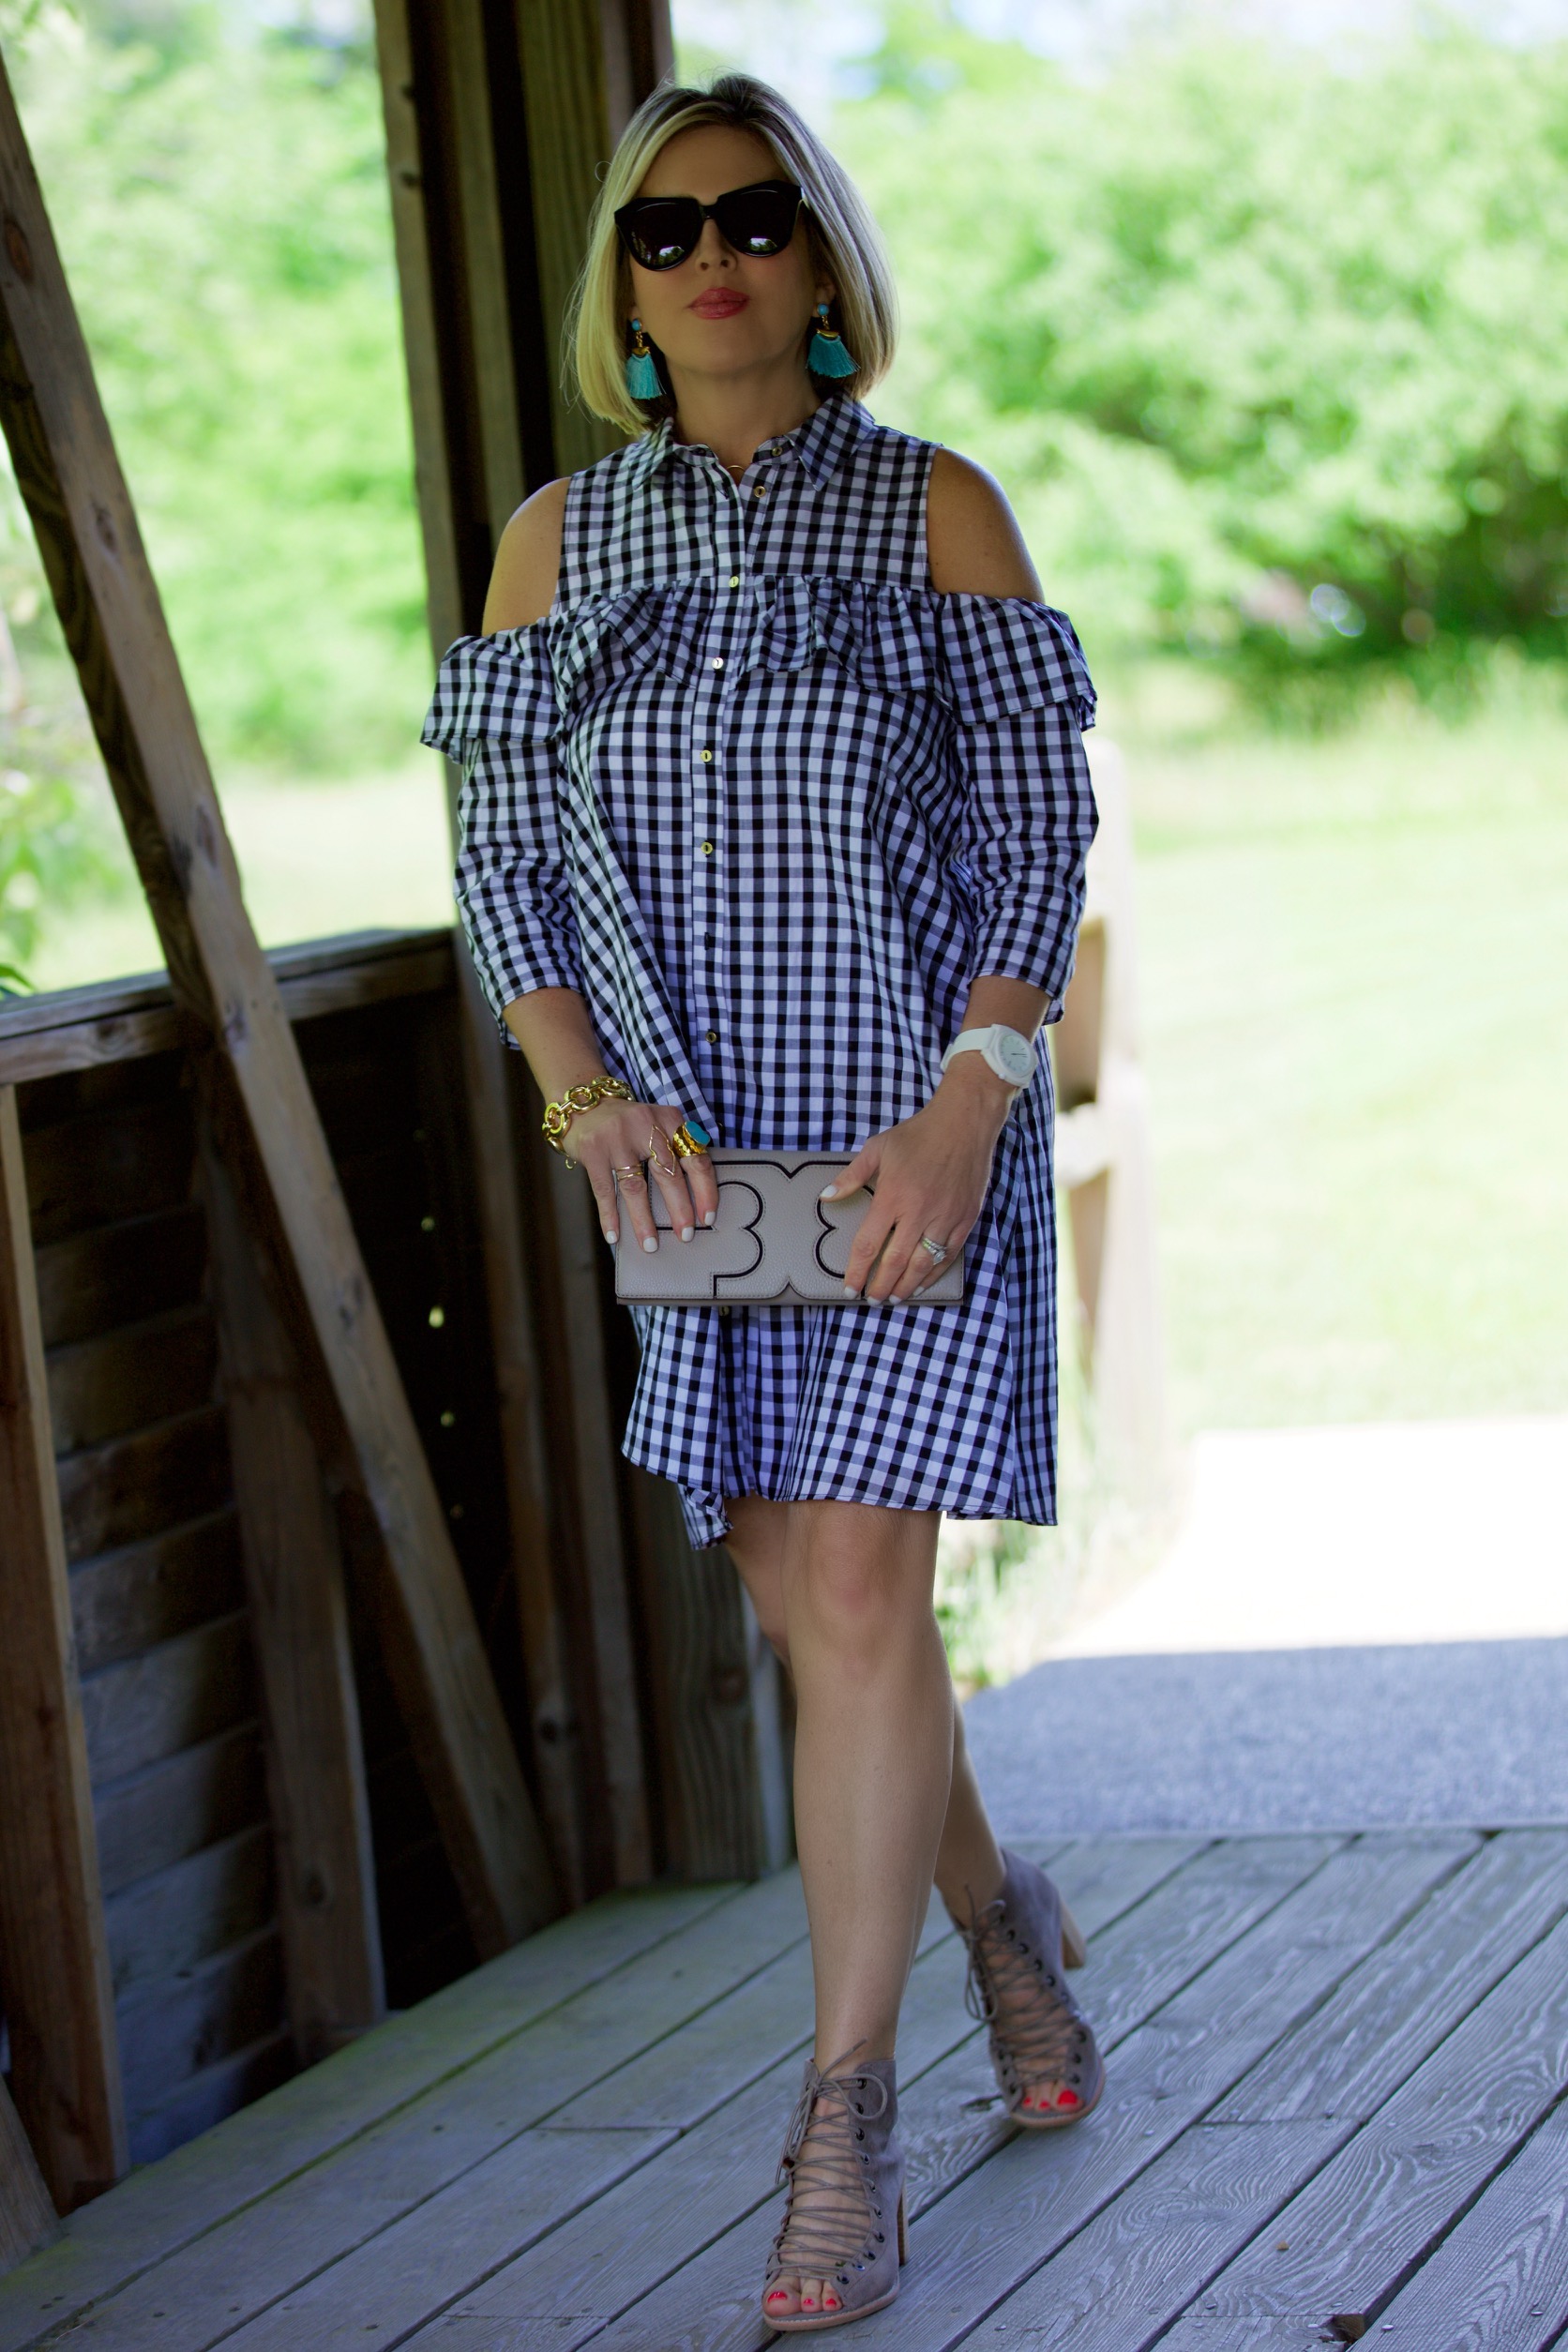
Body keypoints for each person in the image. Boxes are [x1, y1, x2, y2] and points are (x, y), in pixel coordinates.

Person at [421, 70, 1104, 2336]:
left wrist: (971, 1104)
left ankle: (839, 2129)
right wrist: (570, 1099)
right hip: (690, 1159)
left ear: (820, 265)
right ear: (619, 281)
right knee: (816, 1618)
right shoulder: (551, 547)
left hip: (913, 1136)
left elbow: (1030, 842)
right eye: (662, 230)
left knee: (854, 1580)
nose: (709, 257)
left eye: (755, 218)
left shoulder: (940, 514)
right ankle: (1002, 1929)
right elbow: (503, 860)